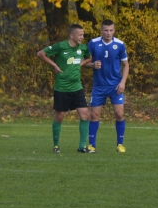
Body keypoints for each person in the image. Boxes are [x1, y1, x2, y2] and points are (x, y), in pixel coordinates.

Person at [36, 24, 93, 153]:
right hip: (62, 87)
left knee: (85, 115)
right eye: (80, 35)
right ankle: (56, 145)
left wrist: (80, 64)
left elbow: (89, 57)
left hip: (77, 87)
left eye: (83, 35)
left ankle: (82, 147)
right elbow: (41, 54)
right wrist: (55, 65)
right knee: (59, 117)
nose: (82, 37)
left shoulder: (83, 48)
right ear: (72, 35)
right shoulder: (61, 46)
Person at [87, 19, 130, 153]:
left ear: (114, 30)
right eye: (106, 30)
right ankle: (92, 145)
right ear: (101, 31)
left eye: (111, 30)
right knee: (94, 115)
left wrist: (122, 82)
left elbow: (126, 65)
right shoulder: (93, 43)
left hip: (115, 86)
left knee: (119, 113)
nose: (108, 33)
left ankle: (120, 144)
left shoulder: (120, 44)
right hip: (99, 86)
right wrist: (92, 65)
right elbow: (84, 63)